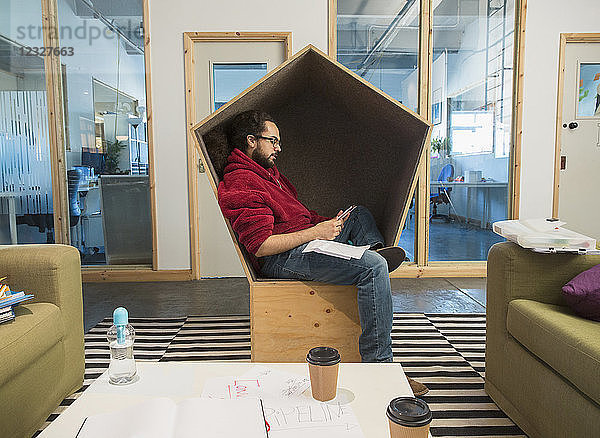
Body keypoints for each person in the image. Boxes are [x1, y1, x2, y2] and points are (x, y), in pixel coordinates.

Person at [217, 110, 428, 395]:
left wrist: (325, 223)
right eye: (273, 141)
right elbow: (262, 245)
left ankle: (368, 253)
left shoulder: (269, 176)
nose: (279, 148)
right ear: (251, 140)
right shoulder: (241, 181)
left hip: (307, 242)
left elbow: (297, 216)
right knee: (373, 268)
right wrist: (318, 232)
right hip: (282, 258)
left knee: (358, 214)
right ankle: (380, 369)